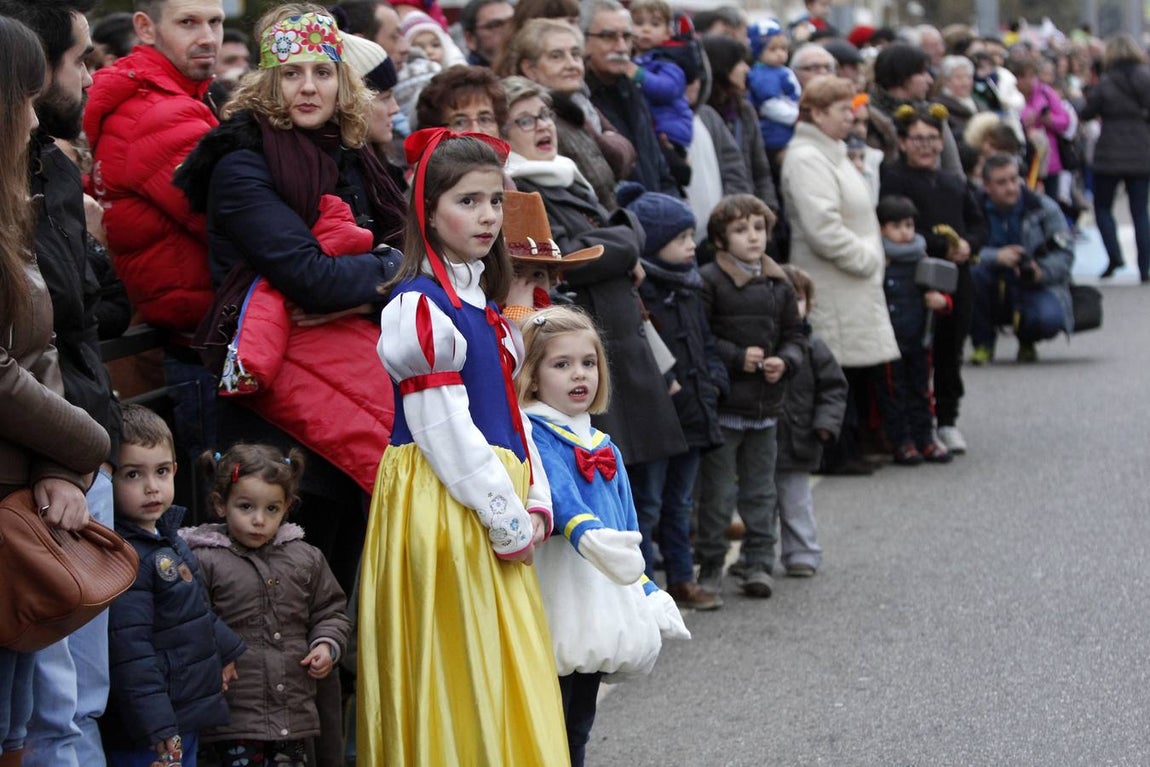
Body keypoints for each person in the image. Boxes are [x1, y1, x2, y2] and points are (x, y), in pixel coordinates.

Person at [173, 5, 406, 592]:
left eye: (322, 72)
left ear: (342, 81)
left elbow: (416, 257)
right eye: (292, 73)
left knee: (344, 574)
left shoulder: (351, 153)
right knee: (286, 580)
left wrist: (373, 284)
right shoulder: (240, 163)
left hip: (352, 370)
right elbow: (310, 278)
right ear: (268, 82)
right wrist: (387, 271)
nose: (308, 87)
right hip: (278, 401)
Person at [357, 129, 568, 766]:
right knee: (459, 663)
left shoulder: (481, 305)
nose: (487, 217)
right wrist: (504, 516)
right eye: (467, 201)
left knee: (502, 661)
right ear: (428, 212)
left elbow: (513, 417)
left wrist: (536, 497)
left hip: (489, 493)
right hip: (447, 500)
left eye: (494, 201)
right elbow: (443, 429)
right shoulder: (418, 307)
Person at [0, 2, 122, 766]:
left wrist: (56, 463)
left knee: (34, 715)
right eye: (23, 97)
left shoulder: (23, 191)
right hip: (20, 480)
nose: (32, 114)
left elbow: (41, 335)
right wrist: (86, 442)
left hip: (29, 479)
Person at [498, 76, 689, 533]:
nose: (542, 126)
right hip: (579, 341)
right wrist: (623, 240)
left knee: (640, 493)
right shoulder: (520, 192)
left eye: (545, 115)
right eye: (524, 120)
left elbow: (613, 238)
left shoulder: (571, 175)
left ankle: (641, 572)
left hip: (617, 343)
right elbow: (572, 256)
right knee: (599, 502)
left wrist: (617, 239)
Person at [516, 305, 690, 766]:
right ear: (532, 378)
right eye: (561, 364)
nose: (580, 374)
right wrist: (587, 534)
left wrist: (648, 590)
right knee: (548, 713)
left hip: (599, 596)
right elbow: (559, 493)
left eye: (588, 363)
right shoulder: (532, 432)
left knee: (580, 718)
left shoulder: (603, 443)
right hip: (556, 590)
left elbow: (628, 524)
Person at [83, 0, 226, 492]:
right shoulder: (158, 112)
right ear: (145, 28)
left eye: (215, 21)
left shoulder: (173, 98)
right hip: (201, 343)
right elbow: (238, 221)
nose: (207, 36)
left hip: (193, 337)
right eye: (188, 22)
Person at [182, 445, 351, 767]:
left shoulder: (306, 558)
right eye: (246, 507)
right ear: (220, 504)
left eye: (272, 509)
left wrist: (327, 644)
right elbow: (192, 622)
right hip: (233, 719)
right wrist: (215, 657)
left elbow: (330, 611)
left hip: (293, 715)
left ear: (287, 507)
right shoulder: (202, 560)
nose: (259, 520)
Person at [104, 404, 246, 767]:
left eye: (161, 471)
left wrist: (225, 650)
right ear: (108, 477)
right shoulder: (124, 555)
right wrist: (157, 726)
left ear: (175, 470)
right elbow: (130, 653)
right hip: (151, 731)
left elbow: (192, 609)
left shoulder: (166, 536)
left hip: (181, 712)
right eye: (133, 474)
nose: (152, 487)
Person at [781, 76, 898, 476]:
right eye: (842, 109)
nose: (851, 117)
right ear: (816, 113)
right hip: (834, 278)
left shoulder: (830, 151)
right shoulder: (808, 158)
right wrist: (867, 259)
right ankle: (836, 451)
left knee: (852, 368)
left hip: (848, 279)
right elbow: (823, 228)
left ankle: (852, 446)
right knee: (836, 368)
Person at [695, 194, 806, 597]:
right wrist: (736, 357)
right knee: (718, 494)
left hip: (765, 407)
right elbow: (701, 338)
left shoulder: (779, 283)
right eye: (741, 230)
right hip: (725, 407)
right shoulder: (708, 281)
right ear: (720, 240)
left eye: (759, 228)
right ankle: (711, 564)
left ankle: (759, 562)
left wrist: (785, 362)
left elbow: (796, 336)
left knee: (761, 491)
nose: (753, 237)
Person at [623, 186, 726, 610]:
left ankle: (683, 579)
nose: (691, 245)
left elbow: (706, 343)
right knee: (647, 505)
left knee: (680, 503)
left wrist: (715, 381)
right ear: (653, 242)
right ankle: (645, 591)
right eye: (681, 238)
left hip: (693, 413)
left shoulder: (689, 286)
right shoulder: (637, 292)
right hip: (658, 418)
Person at [880, 105, 985, 456]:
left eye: (931, 138)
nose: (925, 146)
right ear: (903, 142)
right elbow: (896, 227)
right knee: (912, 354)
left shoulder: (953, 182)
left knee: (950, 349)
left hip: (956, 274)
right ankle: (912, 427)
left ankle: (947, 419)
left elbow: (978, 221)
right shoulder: (893, 179)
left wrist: (969, 244)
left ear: (942, 142)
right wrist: (941, 244)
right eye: (917, 139)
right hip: (911, 277)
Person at [501, 18, 636, 211]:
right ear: (530, 69)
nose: (571, 64)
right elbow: (616, 160)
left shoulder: (582, 103)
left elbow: (628, 153)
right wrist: (606, 138)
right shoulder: (545, 123)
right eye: (557, 56)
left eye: (575, 54)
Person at [775, 265, 846, 577]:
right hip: (761, 441)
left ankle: (802, 552)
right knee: (758, 504)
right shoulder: (762, 346)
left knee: (796, 502)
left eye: (798, 299)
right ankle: (754, 556)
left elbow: (834, 388)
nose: (792, 306)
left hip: (799, 438)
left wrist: (825, 424)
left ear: (810, 304)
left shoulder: (815, 347)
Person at [969, 153, 1074, 364]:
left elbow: (1065, 253)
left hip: (1033, 284)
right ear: (987, 186)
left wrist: (1040, 272)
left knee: (1048, 319)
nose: (1011, 187)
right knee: (972, 276)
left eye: (1014, 179)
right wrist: (996, 257)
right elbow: (961, 251)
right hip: (988, 282)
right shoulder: (972, 209)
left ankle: (1027, 340)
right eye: (1001, 182)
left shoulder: (1043, 207)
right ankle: (983, 344)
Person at [875, 195, 954, 465]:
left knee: (921, 390)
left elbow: (943, 295)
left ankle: (925, 438)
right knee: (893, 392)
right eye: (896, 226)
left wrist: (941, 302)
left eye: (908, 225)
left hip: (919, 337)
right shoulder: (877, 259)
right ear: (882, 229)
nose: (904, 232)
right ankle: (901, 440)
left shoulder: (922, 257)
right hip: (890, 340)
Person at [582, 0, 679, 195]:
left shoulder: (633, 89)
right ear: (583, 41)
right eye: (608, 36)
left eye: (626, 37)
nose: (621, 47)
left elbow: (659, 169)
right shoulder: (580, 100)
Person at [1078, 33, 1150, 282]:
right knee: (1140, 212)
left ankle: (1114, 256)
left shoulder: (1105, 82)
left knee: (1102, 207)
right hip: (1141, 149)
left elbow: (1087, 112)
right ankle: (1145, 267)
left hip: (1109, 151)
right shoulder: (1146, 78)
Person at [629, 0, 696, 171]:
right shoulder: (633, 60)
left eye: (655, 24)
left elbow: (668, 89)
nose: (646, 29)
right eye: (638, 23)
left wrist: (639, 75)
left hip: (669, 133)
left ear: (668, 32)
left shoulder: (669, 61)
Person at [747, 18, 801, 173]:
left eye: (783, 49)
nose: (780, 54)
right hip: (776, 133)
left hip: (788, 126)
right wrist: (796, 117)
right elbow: (770, 105)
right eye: (772, 49)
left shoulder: (779, 70)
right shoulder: (763, 75)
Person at [460, 0, 513, 67]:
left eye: (513, 22)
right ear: (470, 39)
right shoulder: (464, 73)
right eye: (495, 25)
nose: (509, 30)